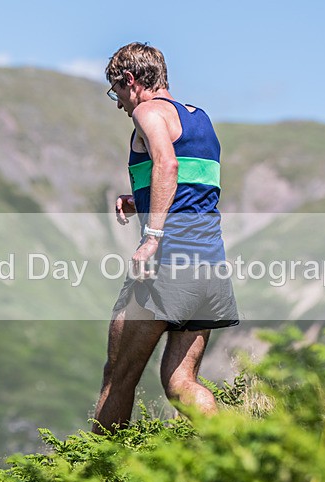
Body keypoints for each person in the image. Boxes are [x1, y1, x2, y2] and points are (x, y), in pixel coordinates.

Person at [92, 42, 239, 434]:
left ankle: (97, 480)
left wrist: (152, 235)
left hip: (169, 263)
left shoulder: (147, 111)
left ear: (131, 80)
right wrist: (139, 200)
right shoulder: (200, 120)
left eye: (116, 92)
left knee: (118, 376)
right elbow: (192, 189)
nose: (120, 103)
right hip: (208, 264)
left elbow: (167, 163)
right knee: (180, 383)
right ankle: (230, 452)